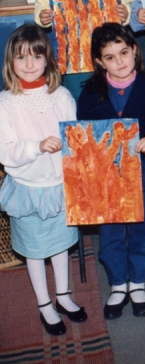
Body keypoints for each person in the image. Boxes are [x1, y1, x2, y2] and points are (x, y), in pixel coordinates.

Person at [77, 23, 145, 320]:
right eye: (110, 57)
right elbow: (82, 132)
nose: (119, 61)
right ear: (99, 62)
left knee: (141, 228)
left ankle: (138, 282)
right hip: (105, 176)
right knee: (110, 232)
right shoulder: (92, 91)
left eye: (124, 52)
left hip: (140, 170)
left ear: (135, 50)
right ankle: (118, 284)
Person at [0, 25, 86, 336]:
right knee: (36, 248)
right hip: (28, 188)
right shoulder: (6, 102)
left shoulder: (61, 95)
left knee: (59, 243)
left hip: (58, 184)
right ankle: (44, 303)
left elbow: (74, 136)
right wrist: (36, 147)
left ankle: (63, 295)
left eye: (36, 57)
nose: (29, 64)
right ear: (10, 62)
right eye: (20, 58)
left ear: (48, 60)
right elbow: (5, 151)